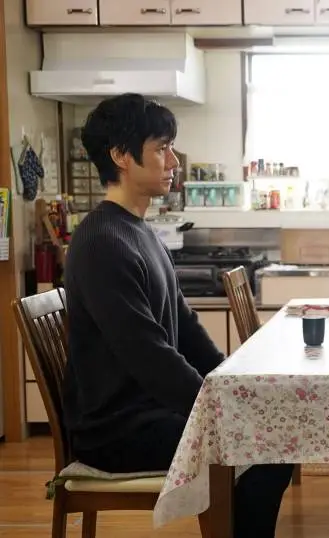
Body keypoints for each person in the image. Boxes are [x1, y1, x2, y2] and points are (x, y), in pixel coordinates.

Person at [62, 93, 294, 538]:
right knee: (267, 444)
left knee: (270, 432)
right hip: (118, 431)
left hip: (153, 413)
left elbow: (185, 329)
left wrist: (229, 385)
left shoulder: (140, 231)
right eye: (162, 148)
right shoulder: (102, 244)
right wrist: (216, 407)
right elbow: (148, 356)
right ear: (121, 156)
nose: (173, 161)